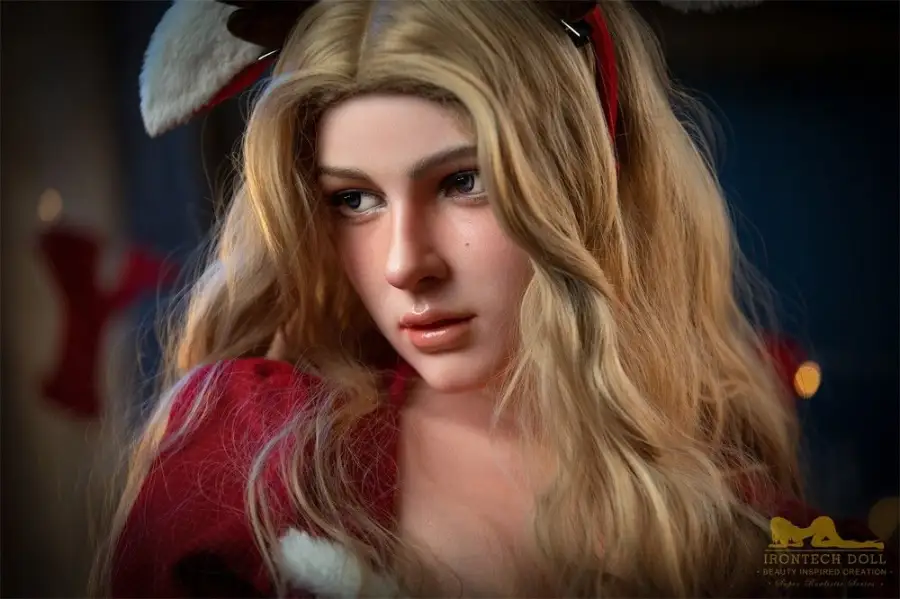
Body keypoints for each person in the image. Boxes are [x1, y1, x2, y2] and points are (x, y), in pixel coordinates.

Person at [92, 1, 891, 597]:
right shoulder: (250, 457)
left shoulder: (747, 526)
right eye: (354, 199)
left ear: (585, 181)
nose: (405, 264)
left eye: (463, 181)